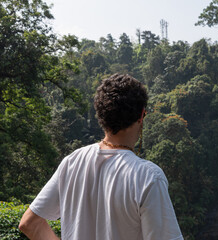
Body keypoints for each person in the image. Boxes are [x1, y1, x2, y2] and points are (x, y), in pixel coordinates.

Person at [19, 73, 183, 240]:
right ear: (141, 115)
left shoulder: (72, 162)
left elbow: (29, 223)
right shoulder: (148, 177)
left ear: (101, 114)